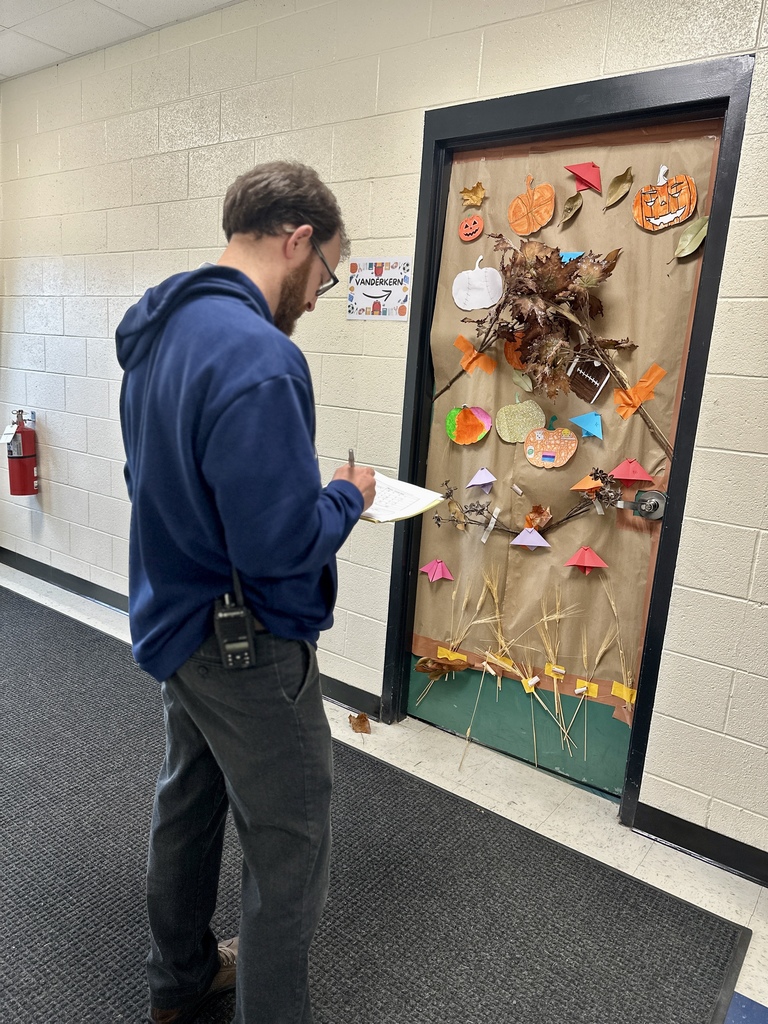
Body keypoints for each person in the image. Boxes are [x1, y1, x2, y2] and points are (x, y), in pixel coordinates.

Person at [116, 161, 376, 1024]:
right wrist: (349, 498)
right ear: (297, 240)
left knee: (188, 801)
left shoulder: (158, 331)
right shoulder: (263, 358)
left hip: (175, 618)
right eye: (327, 271)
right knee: (290, 843)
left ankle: (180, 983)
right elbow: (280, 551)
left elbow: (151, 478)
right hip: (245, 644)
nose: (317, 292)